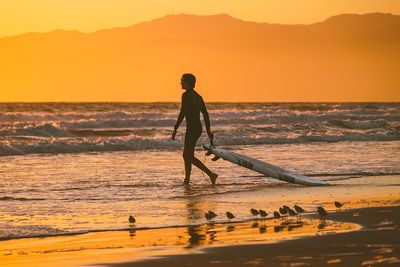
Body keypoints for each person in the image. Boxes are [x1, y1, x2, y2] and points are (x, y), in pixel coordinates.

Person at [172, 73, 218, 185]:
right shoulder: (198, 96)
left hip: (192, 129)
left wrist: (175, 128)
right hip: (197, 128)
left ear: (188, 82)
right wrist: (208, 130)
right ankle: (187, 180)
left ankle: (211, 174)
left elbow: (182, 112)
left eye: (182, 80)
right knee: (186, 155)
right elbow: (205, 114)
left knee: (189, 156)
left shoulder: (186, 95)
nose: (180, 82)